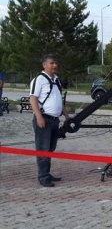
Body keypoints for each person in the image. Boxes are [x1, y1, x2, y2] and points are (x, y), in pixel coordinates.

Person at [29, 54, 70, 187]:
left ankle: (46, 173)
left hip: (54, 120)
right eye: (52, 63)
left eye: (56, 63)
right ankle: (43, 177)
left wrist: (67, 116)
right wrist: (39, 117)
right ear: (44, 65)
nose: (55, 65)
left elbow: (59, 100)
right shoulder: (39, 79)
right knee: (43, 148)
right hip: (44, 119)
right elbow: (33, 98)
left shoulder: (56, 80)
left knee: (50, 148)